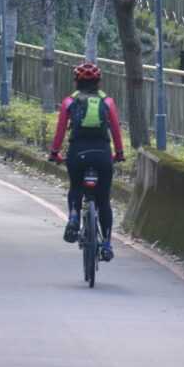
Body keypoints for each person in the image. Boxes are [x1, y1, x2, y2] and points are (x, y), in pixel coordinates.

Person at [48, 63, 125, 261]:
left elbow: (59, 131)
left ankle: (74, 216)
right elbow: (116, 129)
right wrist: (119, 153)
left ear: (77, 82)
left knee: (76, 188)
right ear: (98, 82)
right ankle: (107, 244)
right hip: (102, 154)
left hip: (78, 153)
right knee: (103, 200)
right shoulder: (107, 102)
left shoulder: (69, 102)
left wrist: (54, 153)